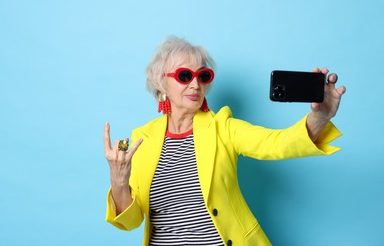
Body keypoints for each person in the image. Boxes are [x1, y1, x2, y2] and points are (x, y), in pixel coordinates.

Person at [103, 36, 346, 246]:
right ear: (160, 82)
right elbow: (132, 221)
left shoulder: (222, 127)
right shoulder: (142, 138)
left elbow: (277, 143)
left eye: (203, 75)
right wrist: (119, 181)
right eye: (184, 75)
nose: (195, 84)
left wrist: (320, 117)